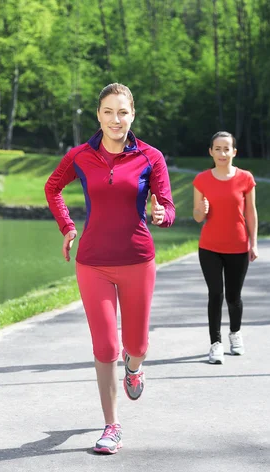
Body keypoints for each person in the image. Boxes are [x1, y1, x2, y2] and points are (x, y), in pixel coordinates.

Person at [44, 83, 175, 454]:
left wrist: (163, 215)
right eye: (108, 112)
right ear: (98, 115)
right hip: (94, 264)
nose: (115, 119)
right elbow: (52, 188)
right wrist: (68, 227)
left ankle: (134, 367)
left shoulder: (151, 157)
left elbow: (167, 205)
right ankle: (112, 426)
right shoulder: (81, 156)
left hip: (138, 260)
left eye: (122, 112)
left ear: (132, 115)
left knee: (136, 345)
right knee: (105, 346)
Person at [192, 131, 258, 364]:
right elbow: (198, 217)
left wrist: (254, 243)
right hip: (209, 247)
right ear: (211, 152)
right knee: (215, 294)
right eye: (217, 149)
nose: (222, 153)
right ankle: (215, 343)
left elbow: (250, 212)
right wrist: (202, 209)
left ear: (234, 152)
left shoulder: (246, 178)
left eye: (226, 148)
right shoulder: (201, 179)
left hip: (238, 246)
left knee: (233, 296)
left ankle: (235, 333)